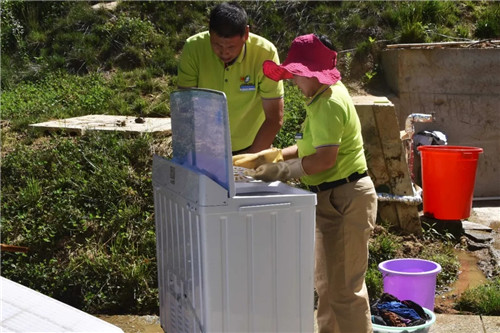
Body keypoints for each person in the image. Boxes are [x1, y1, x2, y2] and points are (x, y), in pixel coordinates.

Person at [239, 34, 378, 333]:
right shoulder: (320, 98)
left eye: (297, 75)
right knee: (327, 285)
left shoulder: (329, 103)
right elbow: (307, 149)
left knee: (345, 291)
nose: (293, 82)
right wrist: (271, 156)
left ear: (311, 74)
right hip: (333, 198)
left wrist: (279, 171)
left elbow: (325, 160)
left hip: (346, 197)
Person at [177, 1, 284, 154]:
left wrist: (249, 159)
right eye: (217, 45)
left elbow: (274, 118)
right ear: (209, 31)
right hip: (203, 147)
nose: (224, 52)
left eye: (231, 47)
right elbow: (185, 107)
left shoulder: (266, 54)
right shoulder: (193, 48)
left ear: (246, 34)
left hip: (252, 146)